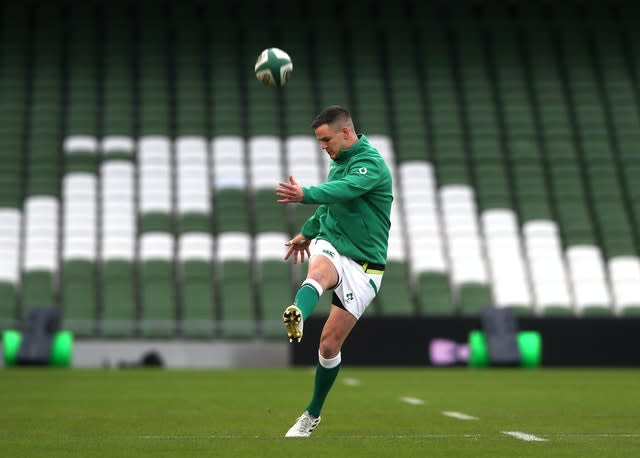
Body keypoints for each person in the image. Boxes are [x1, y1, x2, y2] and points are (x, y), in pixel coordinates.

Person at [275, 105, 393, 437]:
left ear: (345, 132)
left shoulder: (370, 165)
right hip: (334, 245)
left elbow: (341, 193)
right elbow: (331, 205)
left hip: (365, 267)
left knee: (328, 345)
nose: (323, 146)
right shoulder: (339, 160)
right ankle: (298, 310)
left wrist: (304, 194)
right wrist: (308, 232)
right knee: (319, 269)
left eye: (326, 139)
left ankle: (312, 414)